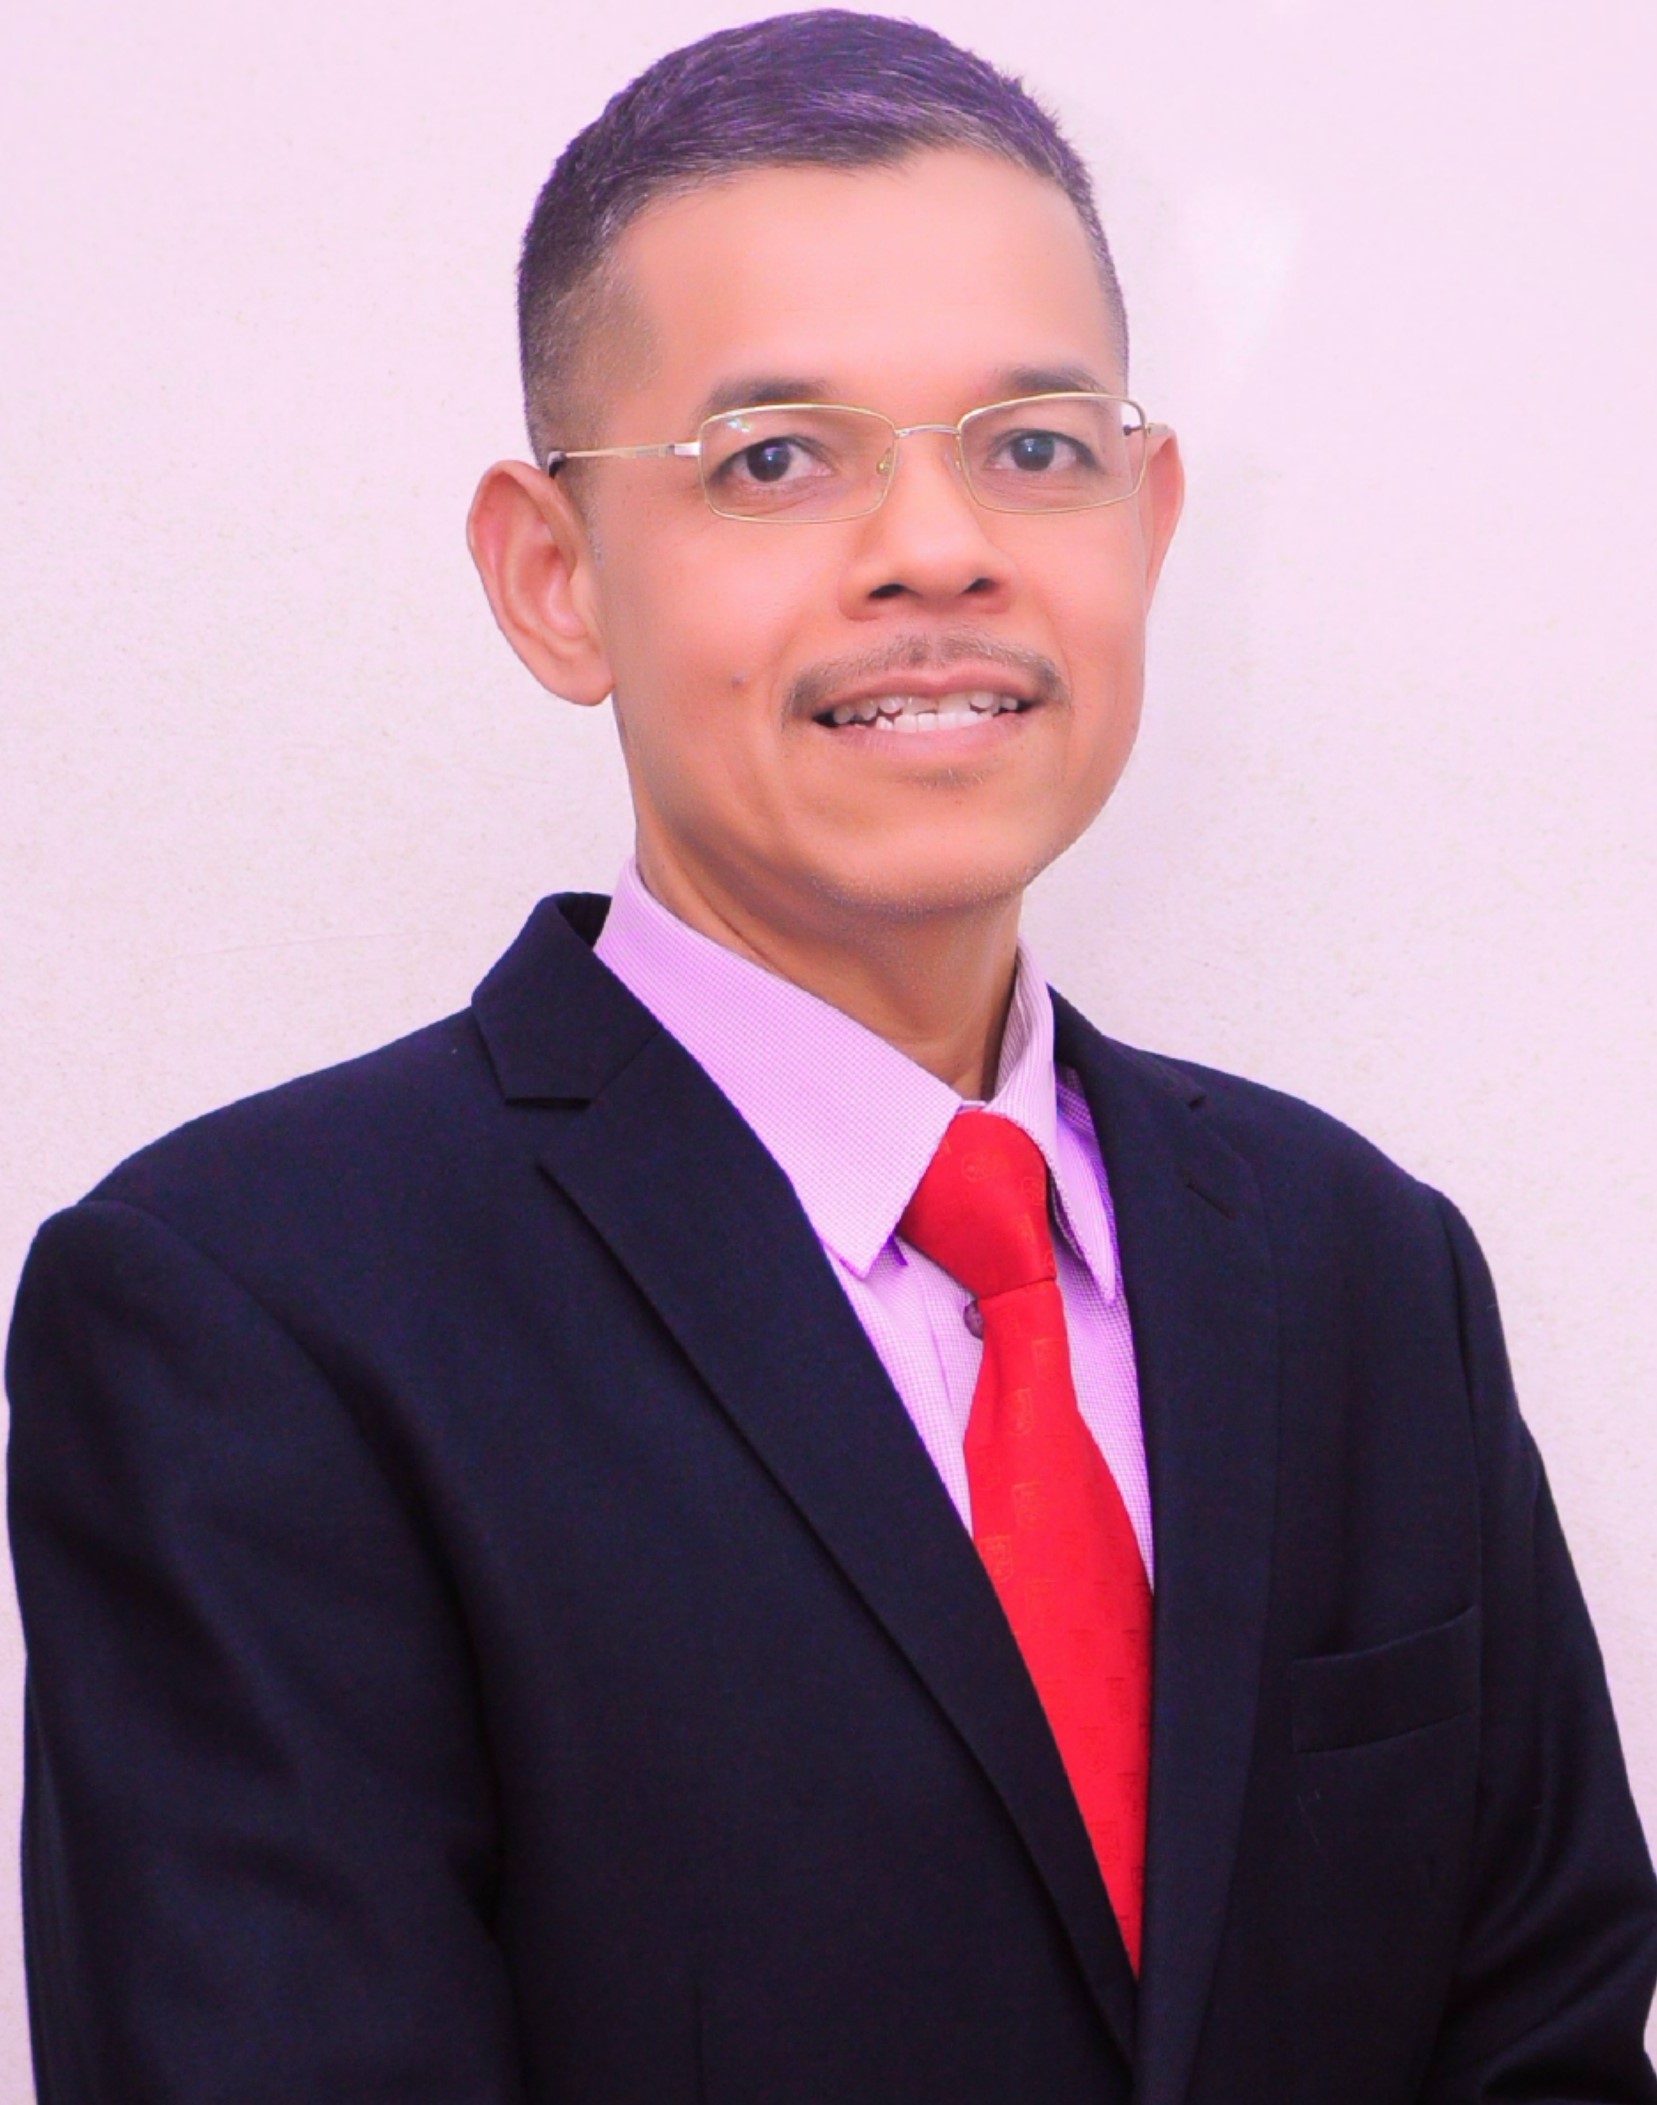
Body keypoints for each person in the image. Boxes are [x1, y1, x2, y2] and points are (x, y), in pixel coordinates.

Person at [7, 10, 1655, 2101]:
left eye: (1032, 445)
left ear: (1148, 521)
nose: (937, 548)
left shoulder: (1363, 1269)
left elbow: (1540, 2041)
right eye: (775, 459)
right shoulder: (255, 1318)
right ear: (552, 577)